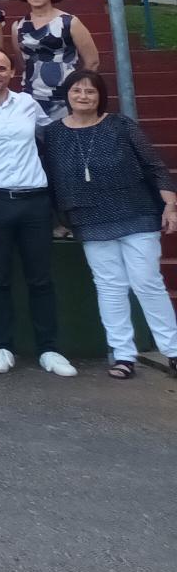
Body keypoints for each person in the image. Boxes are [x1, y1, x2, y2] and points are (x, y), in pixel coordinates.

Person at [38, 70, 177, 380]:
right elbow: (51, 180)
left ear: (101, 96)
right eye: (77, 90)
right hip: (89, 218)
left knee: (146, 281)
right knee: (110, 287)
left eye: (91, 91)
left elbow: (154, 165)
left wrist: (170, 205)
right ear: (67, 95)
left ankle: (173, 350)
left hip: (136, 212)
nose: (83, 96)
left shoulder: (120, 125)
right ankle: (123, 355)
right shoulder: (53, 134)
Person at [0, 47, 77, 376]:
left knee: (41, 279)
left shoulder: (27, 104)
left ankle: (49, 349)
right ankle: (3, 347)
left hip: (35, 201)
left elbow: (53, 135)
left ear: (11, 72)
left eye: (1, 68)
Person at [11, 0, 99, 123]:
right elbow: (22, 61)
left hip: (65, 98)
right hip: (31, 98)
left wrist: (78, 90)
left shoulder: (70, 22)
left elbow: (92, 61)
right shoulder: (18, 26)